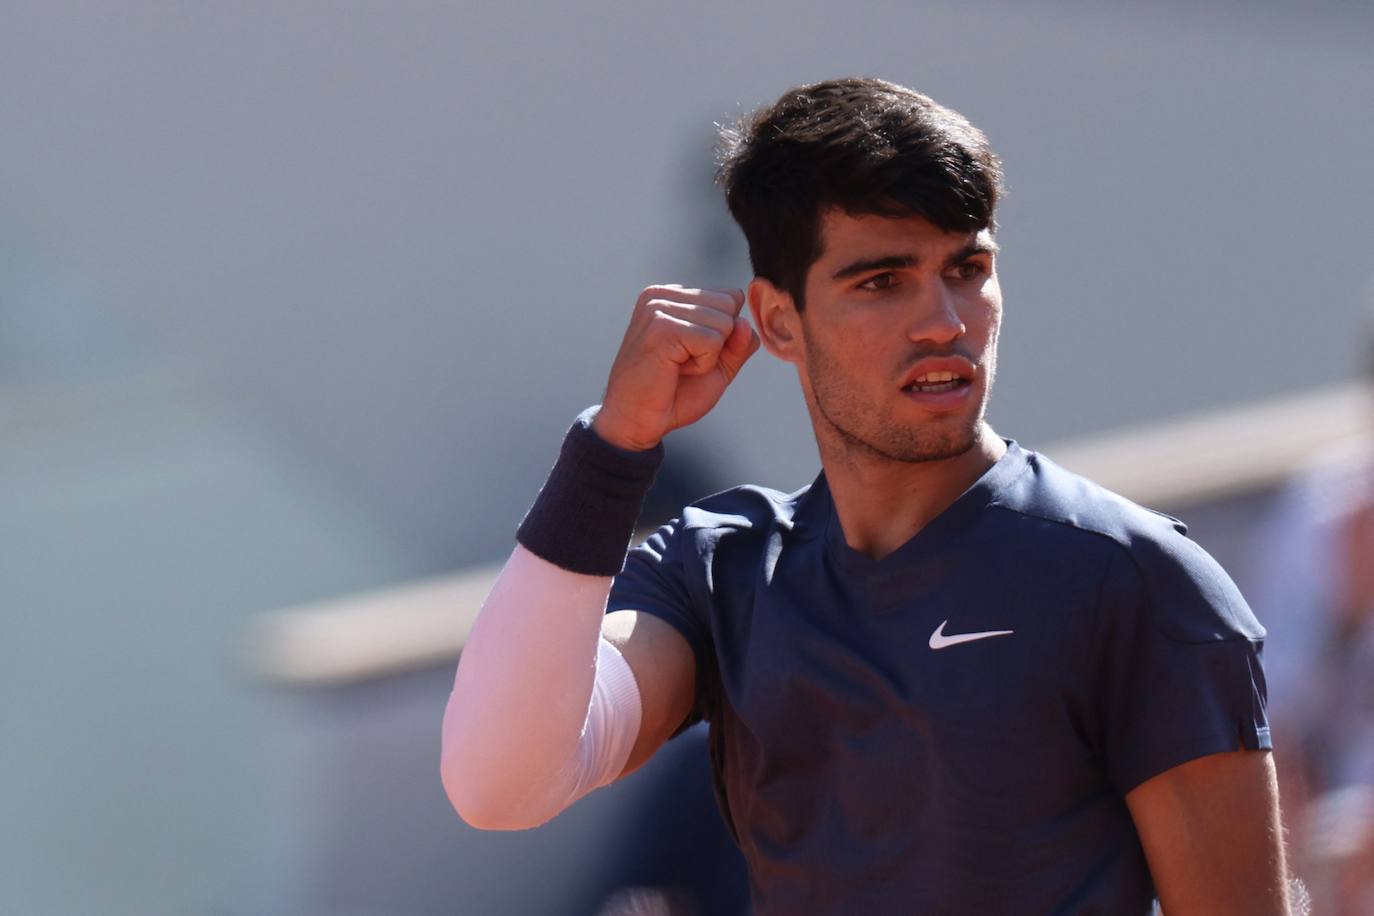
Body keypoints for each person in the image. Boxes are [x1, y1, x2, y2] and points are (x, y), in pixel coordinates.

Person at [440, 78, 1290, 914]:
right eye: (882, 281)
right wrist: (612, 448)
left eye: (967, 268)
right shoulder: (718, 568)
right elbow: (500, 785)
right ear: (777, 322)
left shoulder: (1142, 581)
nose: (944, 321)